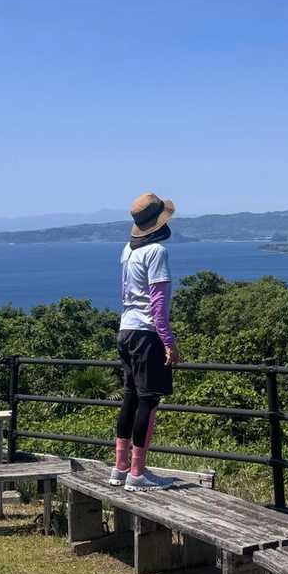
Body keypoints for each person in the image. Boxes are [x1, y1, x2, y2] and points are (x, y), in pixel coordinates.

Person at [111, 193, 181, 491]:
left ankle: (120, 468)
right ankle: (138, 473)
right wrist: (169, 342)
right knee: (148, 401)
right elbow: (158, 305)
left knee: (131, 398)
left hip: (126, 330)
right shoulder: (156, 252)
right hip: (146, 334)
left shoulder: (128, 250)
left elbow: (126, 293)